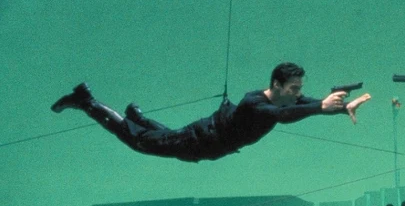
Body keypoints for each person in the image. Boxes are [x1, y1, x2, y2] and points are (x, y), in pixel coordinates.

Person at [50, 62, 371, 162]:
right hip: (199, 141)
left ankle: (138, 118)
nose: (298, 94)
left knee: (166, 137)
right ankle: (87, 102)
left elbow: (306, 105)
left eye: (299, 89)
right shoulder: (256, 104)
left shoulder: (282, 99)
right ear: (276, 84)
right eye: (294, 88)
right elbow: (287, 116)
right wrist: (321, 107)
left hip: (203, 139)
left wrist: (342, 109)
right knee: (139, 143)